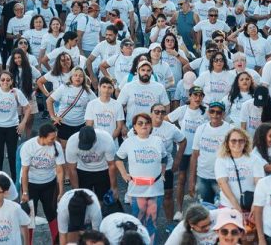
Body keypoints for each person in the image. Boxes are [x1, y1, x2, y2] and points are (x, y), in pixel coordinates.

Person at [115, 112, 167, 243]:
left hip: (155, 189)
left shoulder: (158, 141)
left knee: (152, 223)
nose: (144, 125)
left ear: (151, 126)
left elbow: (165, 158)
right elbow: (118, 158)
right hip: (136, 190)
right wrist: (123, 174)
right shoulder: (129, 142)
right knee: (137, 223)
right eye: (140, 123)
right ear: (134, 127)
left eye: (147, 123)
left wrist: (163, 173)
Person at [0, 70, 30, 181]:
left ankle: (15, 182)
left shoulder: (16, 92)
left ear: (12, 81)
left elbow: (27, 108)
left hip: (12, 128)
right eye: (2, 80)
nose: (5, 82)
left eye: (8, 80)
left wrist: (23, 123)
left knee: (13, 156)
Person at [166, 86, 207, 220]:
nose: (197, 98)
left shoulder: (205, 112)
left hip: (200, 152)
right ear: (189, 97)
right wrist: (176, 134)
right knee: (182, 179)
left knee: (197, 180)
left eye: (200, 95)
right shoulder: (183, 110)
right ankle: (179, 210)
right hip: (184, 150)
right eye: (195, 95)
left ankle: (199, 211)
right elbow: (166, 120)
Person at [20, 123, 65, 244]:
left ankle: (57, 242)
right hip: (31, 184)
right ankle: (28, 243)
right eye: (51, 138)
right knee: (29, 216)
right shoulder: (28, 146)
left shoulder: (57, 146)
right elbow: (25, 171)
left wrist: (61, 191)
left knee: (52, 213)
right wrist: (25, 192)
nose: (54, 140)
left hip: (49, 183)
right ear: (42, 137)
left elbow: (60, 170)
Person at [189, 100, 232, 204]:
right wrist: (191, 180)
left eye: (219, 112)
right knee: (205, 210)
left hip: (222, 178)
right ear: (208, 112)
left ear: (223, 114)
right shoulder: (201, 129)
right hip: (203, 177)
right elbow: (195, 155)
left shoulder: (230, 130)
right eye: (212, 111)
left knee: (222, 209)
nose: (215, 115)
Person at [47, 66, 95, 153]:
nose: (78, 77)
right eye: (75, 75)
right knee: (65, 148)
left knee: (78, 149)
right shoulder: (64, 88)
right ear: (71, 77)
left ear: (84, 78)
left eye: (80, 76)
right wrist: (53, 116)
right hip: (64, 123)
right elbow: (49, 101)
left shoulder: (88, 91)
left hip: (80, 124)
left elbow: (96, 105)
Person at [215, 127, 264, 212]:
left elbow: (259, 184)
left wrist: (255, 205)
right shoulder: (221, 160)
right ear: (227, 143)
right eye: (233, 140)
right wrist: (238, 208)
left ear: (245, 142)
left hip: (252, 205)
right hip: (228, 206)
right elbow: (223, 184)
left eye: (241, 140)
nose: (237, 143)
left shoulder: (255, 159)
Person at [66, 126, 117, 201]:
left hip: (102, 170)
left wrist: (114, 187)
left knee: (103, 199)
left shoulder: (106, 140)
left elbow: (112, 165)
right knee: (83, 200)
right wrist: (76, 190)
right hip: (82, 170)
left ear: (95, 139)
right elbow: (72, 169)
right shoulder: (72, 142)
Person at [117, 60, 169, 128]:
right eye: (143, 70)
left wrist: (162, 124)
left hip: (153, 128)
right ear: (138, 71)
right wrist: (123, 126)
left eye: (148, 70)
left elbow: (166, 106)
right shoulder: (128, 87)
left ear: (151, 72)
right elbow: (118, 107)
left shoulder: (159, 87)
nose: (145, 73)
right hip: (131, 127)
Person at [85, 77, 125, 144]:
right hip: (96, 142)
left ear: (113, 89)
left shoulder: (118, 105)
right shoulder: (91, 104)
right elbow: (89, 126)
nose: (106, 90)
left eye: (109, 87)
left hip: (112, 142)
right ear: (99, 87)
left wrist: (109, 141)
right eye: (104, 87)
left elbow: (119, 127)